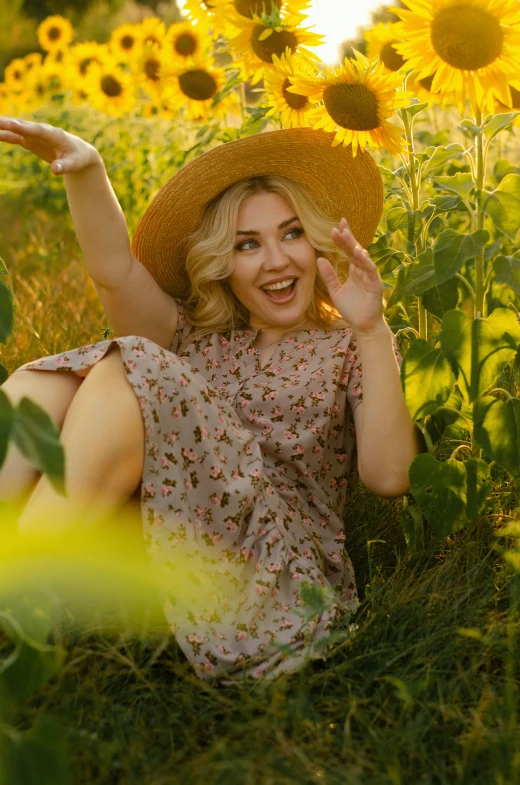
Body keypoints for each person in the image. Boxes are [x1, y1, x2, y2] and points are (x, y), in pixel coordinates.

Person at [0, 116, 424, 684]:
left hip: (272, 562)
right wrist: (88, 169)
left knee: (131, 362)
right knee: (43, 381)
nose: (275, 260)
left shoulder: (347, 348)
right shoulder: (193, 334)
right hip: (163, 534)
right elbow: (114, 271)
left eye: (291, 233)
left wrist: (373, 331)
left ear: (320, 242)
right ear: (223, 262)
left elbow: (389, 475)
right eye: (248, 245)